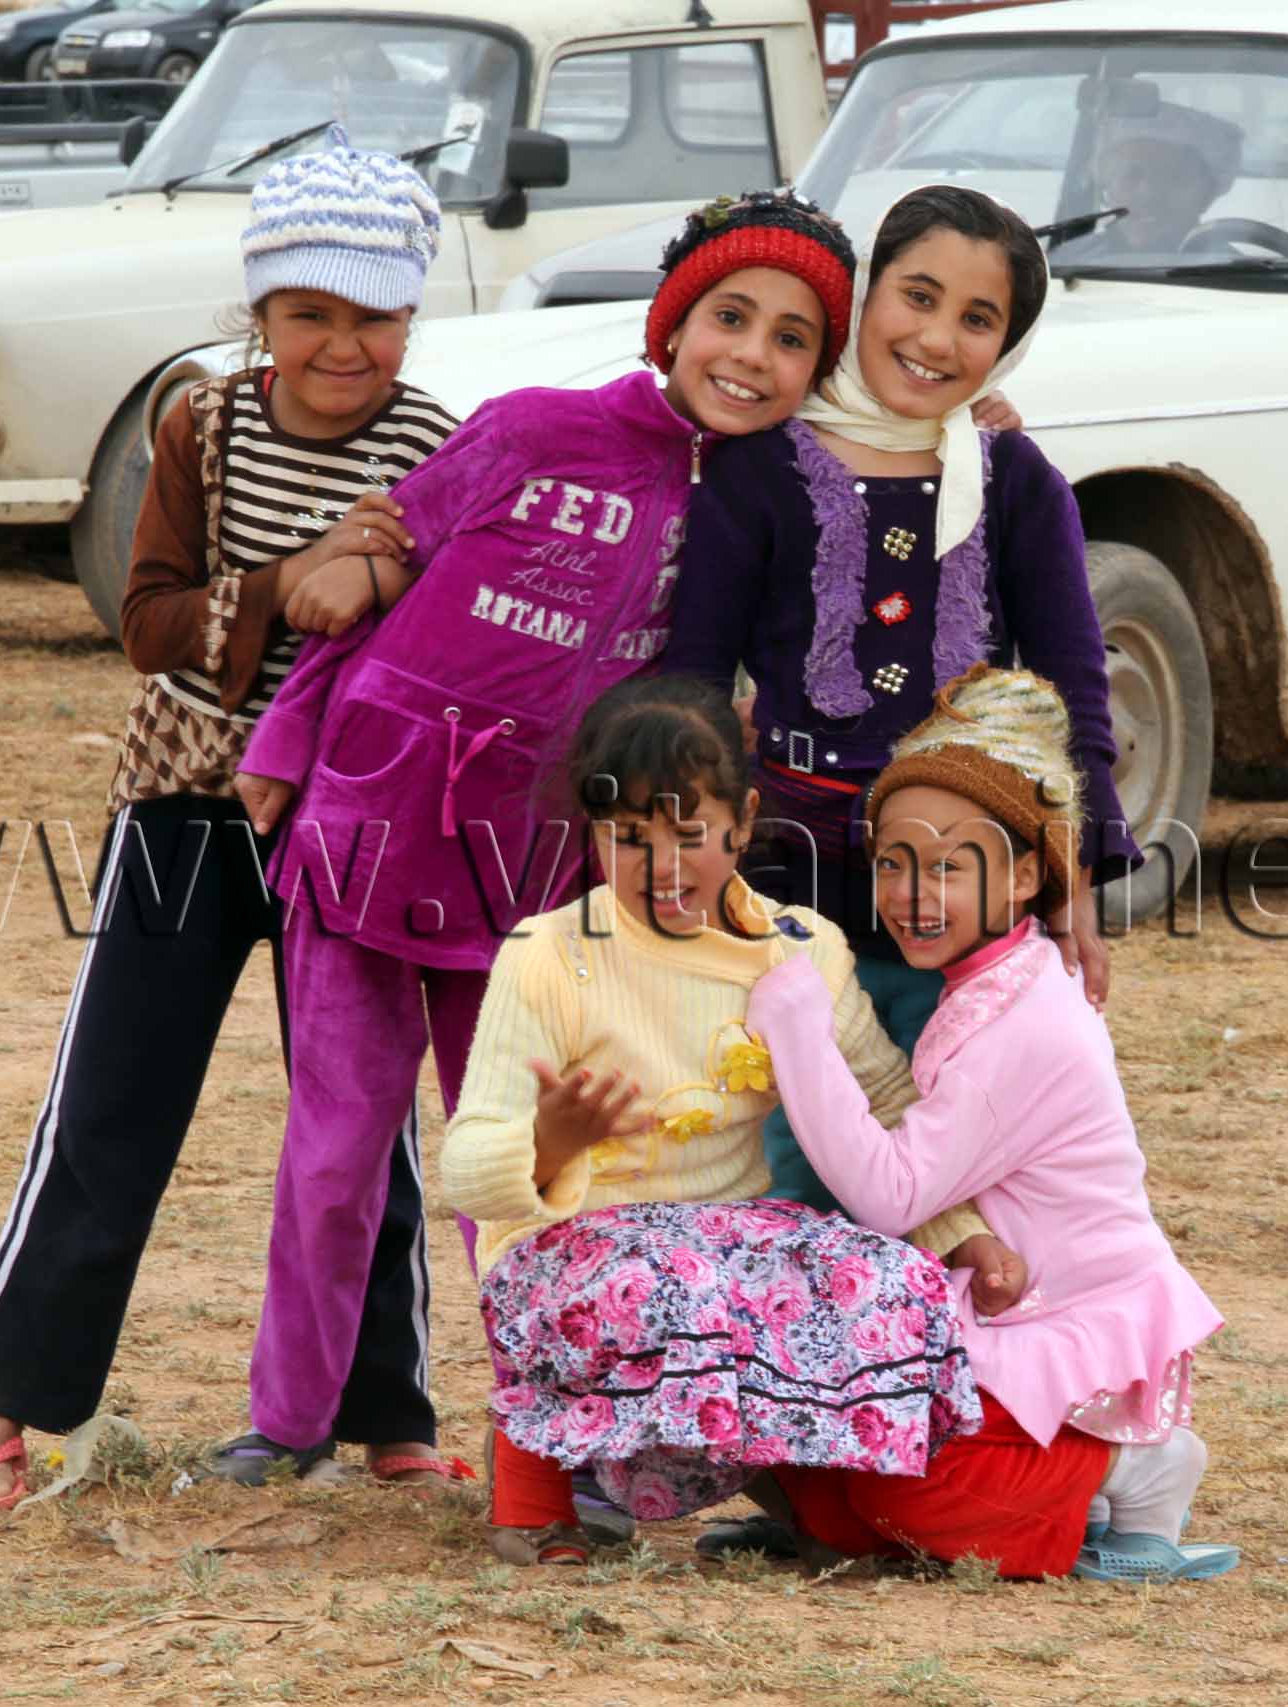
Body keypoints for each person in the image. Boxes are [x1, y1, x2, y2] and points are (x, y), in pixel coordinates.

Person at [215, 190, 877, 1484]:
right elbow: (373, 572)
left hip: (530, 875)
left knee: (526, 1153)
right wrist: (283, 748)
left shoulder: (772, 510)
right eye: (729, 317)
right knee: (336, 1151)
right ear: (672, 324)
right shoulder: (531, 429)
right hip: (367, 827)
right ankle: (285, 1422)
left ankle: (550, 1428)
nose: (751, 355)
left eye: (793, 338)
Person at [0, 132, 458, 1513]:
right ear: (261, 310)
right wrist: (297, 578)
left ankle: (386, 1406)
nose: (342, 345)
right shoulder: (203, 427)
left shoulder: (438, 451)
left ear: (413, 311)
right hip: (185, 809)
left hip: (353, 829)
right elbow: (150, 622)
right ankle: (4, 1405)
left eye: (376, 315)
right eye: (309, 313)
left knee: (362, 1118)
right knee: (111, 1099)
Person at [439, 676, 1024, 1564]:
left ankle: (813, 1497)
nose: (662, 866)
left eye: (689, 835)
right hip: (569, 1254)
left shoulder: (801, 949)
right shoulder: (548, 954)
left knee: (880, 1277)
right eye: (628, 838)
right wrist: (547, 1144)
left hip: (730, 1249)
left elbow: (884, 1104)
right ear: (592, 833)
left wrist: (958, 1229)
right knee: (681, 1280)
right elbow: (465, 1166)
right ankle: (534, 1483)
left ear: (743, 821)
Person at [663, 185, 1135, 1216]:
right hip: (785, 880)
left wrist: (1075, 883)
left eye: (978, 318)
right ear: (866, 294)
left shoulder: (1015, 482)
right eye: (916, 296)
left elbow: (1074, 697)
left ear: (1007, 345)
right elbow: (693, 683)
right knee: (787, 1156)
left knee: (940, 1165)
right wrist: (691, 856)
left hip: (956, 898)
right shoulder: (757, 471)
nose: (935, 338)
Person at [749, 666, 1235, 1584]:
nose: (911, 892)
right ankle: (1057, 1486)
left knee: (908, 1500)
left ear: (1024, 874)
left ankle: (1127, 1464)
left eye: (948, 866)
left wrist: (796, 1026)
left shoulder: (1024, 1018)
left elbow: (893, 1193)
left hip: (1054, 1329)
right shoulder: (990, 981)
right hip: (997, 1317)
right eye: (893, 861)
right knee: (827, 1492)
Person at [1065, 99, 1244, 254]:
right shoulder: (1069, 263)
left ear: (1206, 195)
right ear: (1107, 186)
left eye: (1171, 177)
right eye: (1131, 174)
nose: (1147, 193)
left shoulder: (1234, 274)